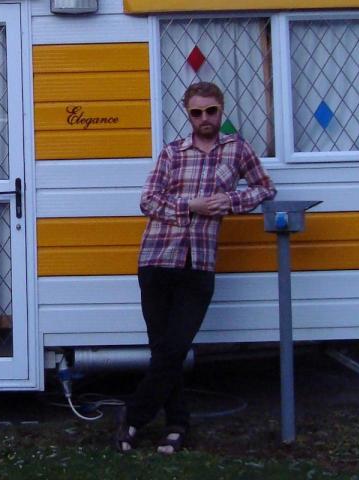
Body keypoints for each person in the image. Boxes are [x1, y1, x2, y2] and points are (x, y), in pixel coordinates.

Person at [115, 82, 276, 454]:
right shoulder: (173, 152)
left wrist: (231, 201)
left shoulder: (237, 150)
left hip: (200, 263)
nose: (205, 118)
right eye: (197, 112)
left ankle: (133, 417)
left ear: (221, 110)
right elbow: (148, 201)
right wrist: (192, 206)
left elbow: (265, 188)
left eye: (211, 111)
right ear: (188, 114)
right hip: (157, 259)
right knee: (164, 351)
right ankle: (176, 425)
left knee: (176, 347)